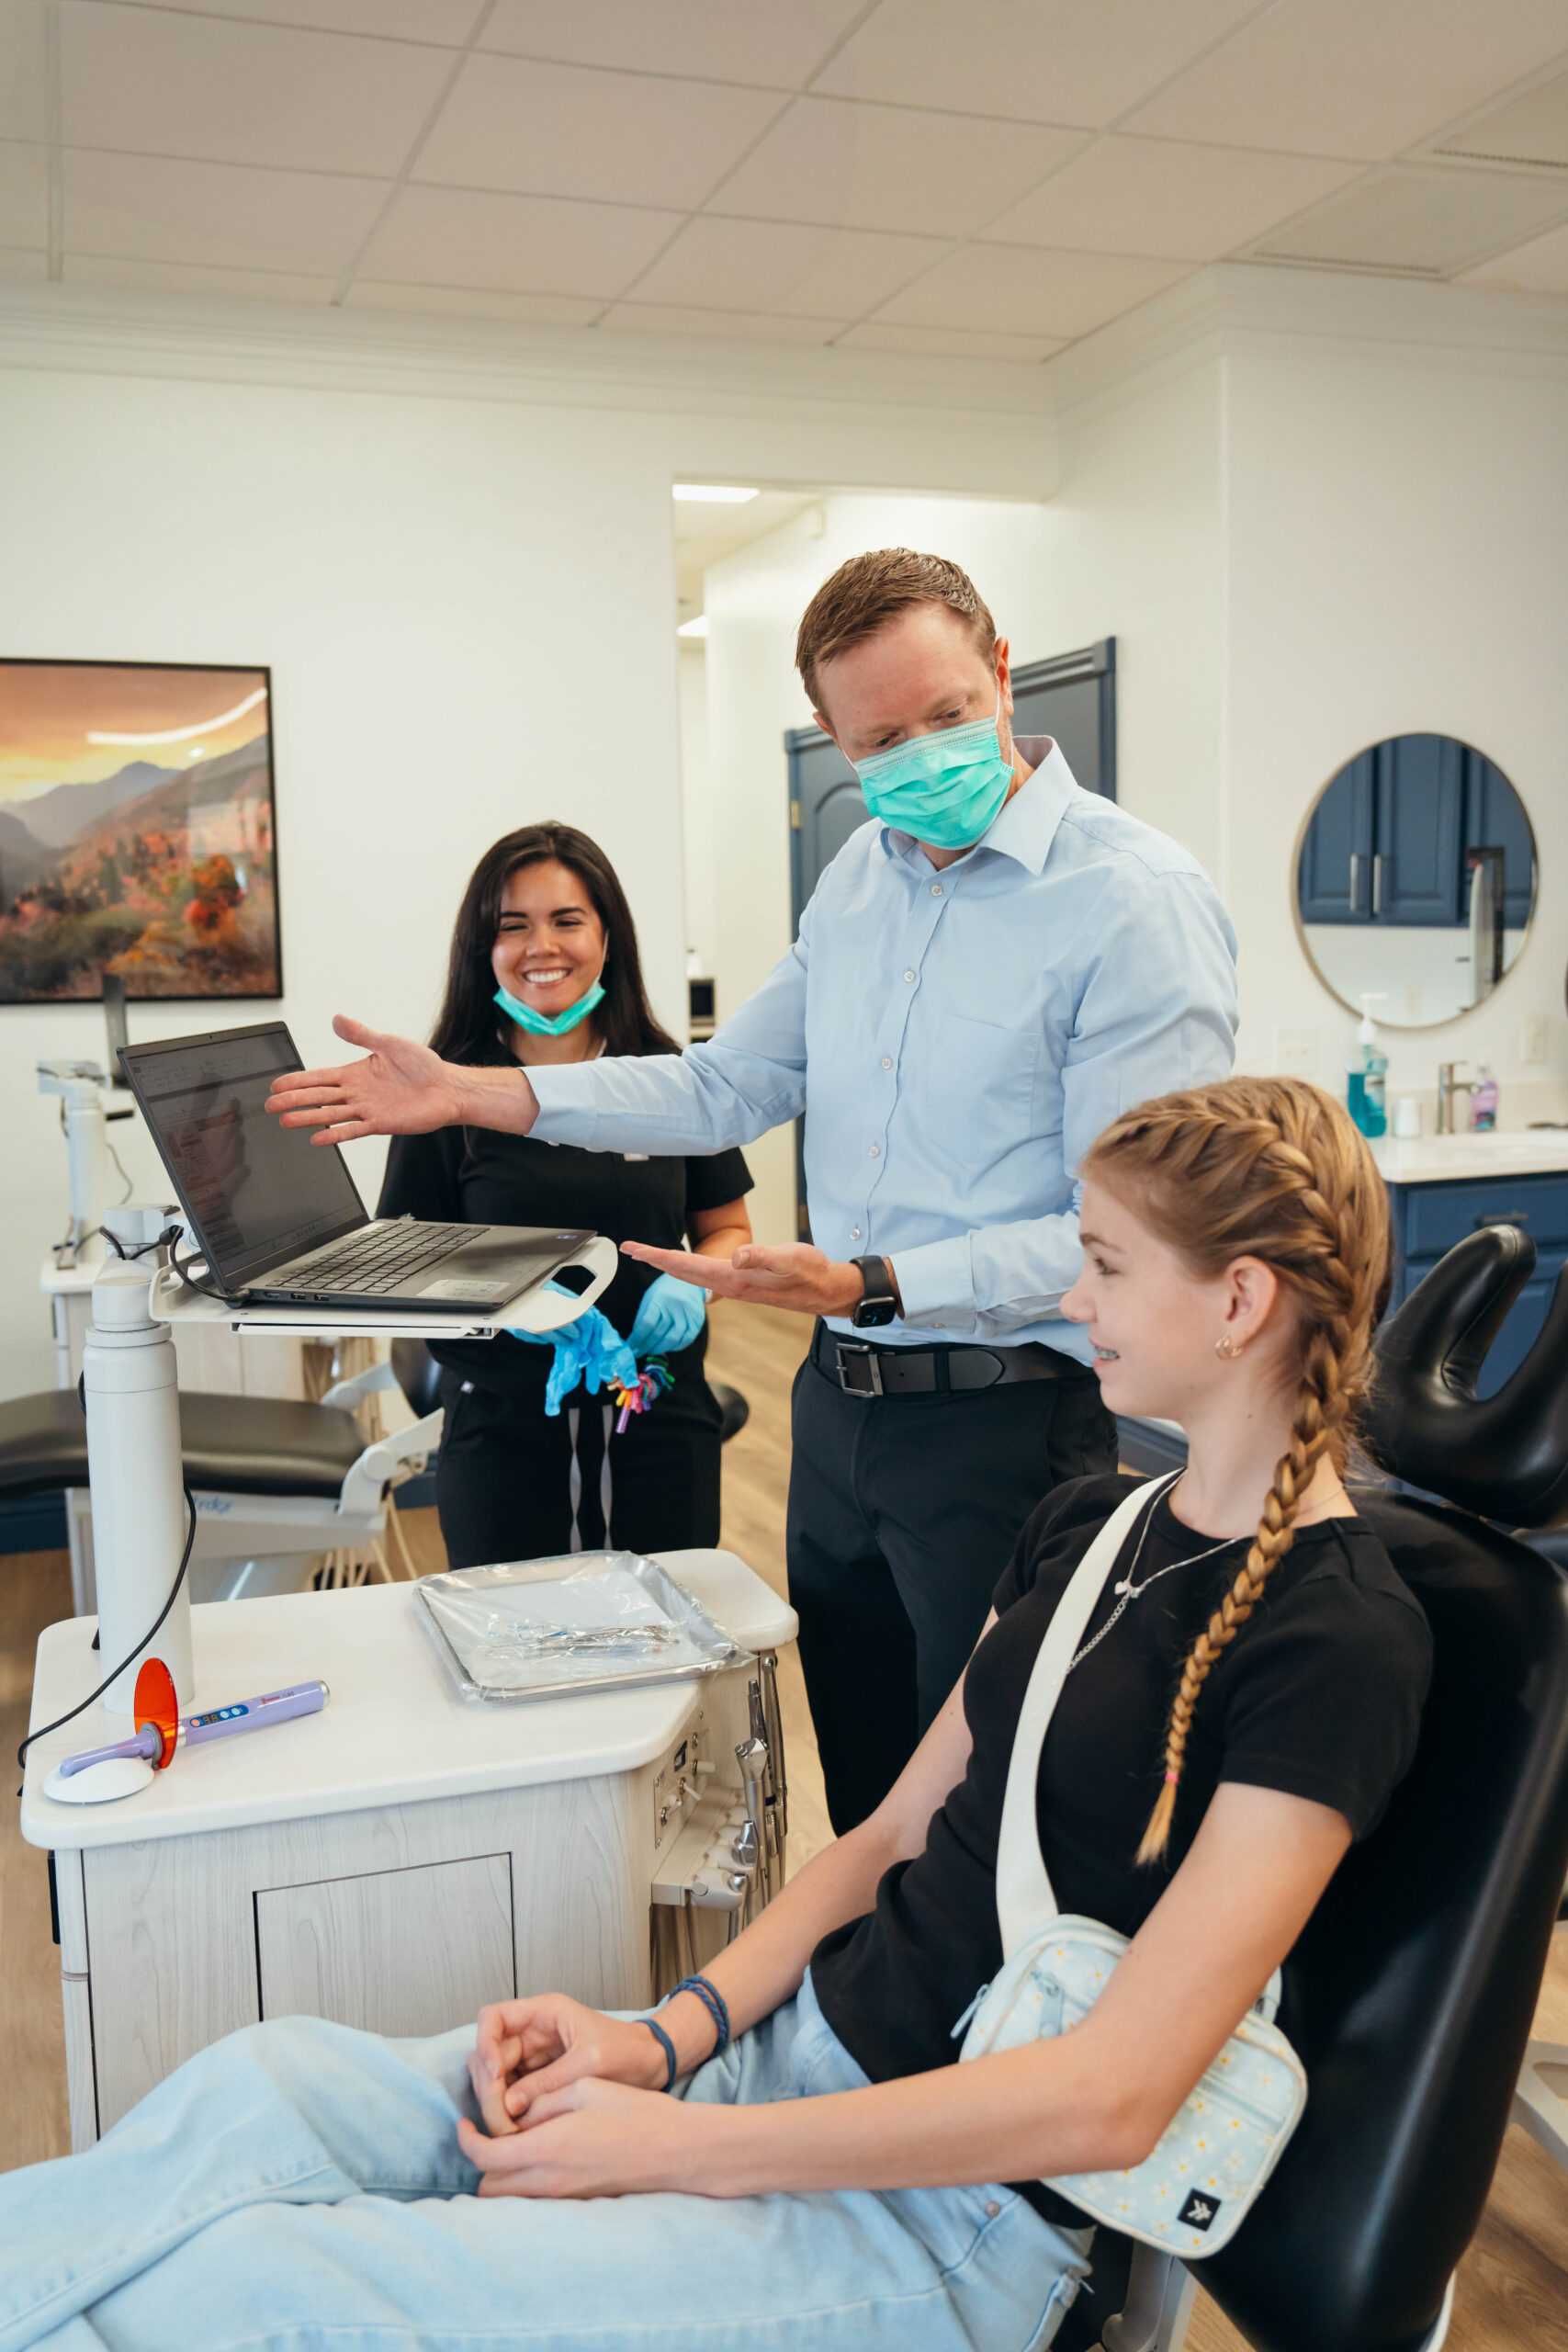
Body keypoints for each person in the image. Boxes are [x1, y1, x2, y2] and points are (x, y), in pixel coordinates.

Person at [0, 1079, 1431, 2352]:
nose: (1073, 1301)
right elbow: (878, 1844)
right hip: (790, 2064)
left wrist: (680, 2153)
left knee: (244, 2293)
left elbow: (1112, 2101)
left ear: (1237, 1302)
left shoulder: (1334, 1640)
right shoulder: (1091, 1524)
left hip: (950, 2231)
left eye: (1105, 1267)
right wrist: (664, 2045)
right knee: (269, 2088)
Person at [267, 549, 1239, 1833]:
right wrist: (472, 1093)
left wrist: (875, 1281)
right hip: (837, 1411)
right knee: (864, 1784)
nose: (922, 757)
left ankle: (994, 2035)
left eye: (946, 715)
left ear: (999, 677)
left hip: (999, 1420)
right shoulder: (858, 883)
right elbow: (723, 1087)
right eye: (879, 740)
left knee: (988, 1808)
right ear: (833, 744)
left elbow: (1133, 1230)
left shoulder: (1132, 901)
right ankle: (865, 2026)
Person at [378, 823, 753, 1566]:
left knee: (664, 1640)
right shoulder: (444, 1090)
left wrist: (695, 1289)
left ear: (607, 935)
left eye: (566, 920)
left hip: (658, 1412)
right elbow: (401, 1262)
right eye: (512, 926)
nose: (540, 947)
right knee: (516, 1645)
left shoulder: (665, 1074)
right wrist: (504, 1309)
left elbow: (729, 1229)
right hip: (504, 1425)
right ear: (482, 948)